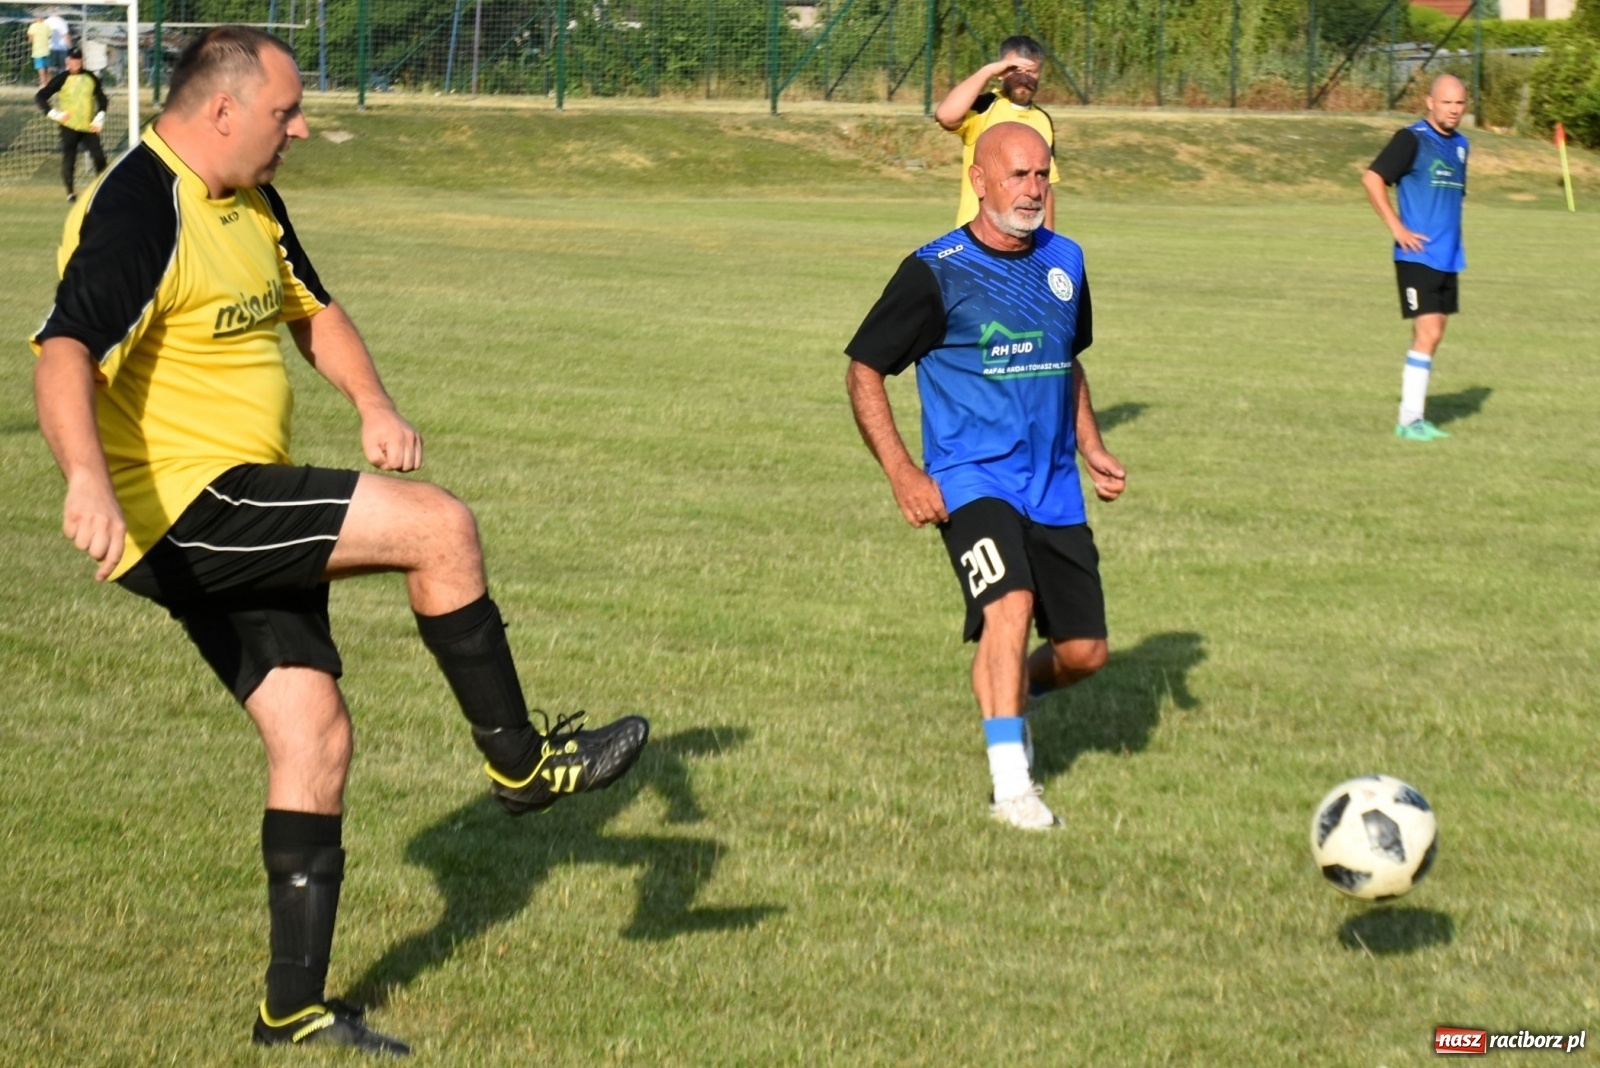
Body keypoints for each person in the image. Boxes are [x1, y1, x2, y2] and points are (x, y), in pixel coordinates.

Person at [30, 26, 649, 1055]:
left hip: (230, 506)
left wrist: (370, 399)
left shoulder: (251, 200)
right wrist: (86, 479)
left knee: (314, 738)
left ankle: (293, 1008)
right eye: (286, 112)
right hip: (187, 505)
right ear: (222, 109)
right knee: (439, 527)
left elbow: (314, 312)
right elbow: (64, 350)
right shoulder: (141, 203)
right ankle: (523, 768)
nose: (302, 129)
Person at [844, 124, 1125, 832]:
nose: (1032, 190)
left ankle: (1011, 697)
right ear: (979, 180)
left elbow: (1069, 360)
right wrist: (902, 471)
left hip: (1053, 483)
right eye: (1018, 176)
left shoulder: (1066, 260)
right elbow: (864, 369)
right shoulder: (935, 270)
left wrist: (1091, 446)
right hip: (971, 480)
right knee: (1012, 607)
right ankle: (1012, 788)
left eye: (1042, 176)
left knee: (1085, 654)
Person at [1361, 74, 1469, 442]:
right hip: (1416, 254)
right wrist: (1397, 228)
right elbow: (1372, 178)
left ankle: (1413, 417)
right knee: (1429, 332)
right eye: (1447, 102)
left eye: (1460, 103)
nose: (1454, 110)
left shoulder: (1461, 146)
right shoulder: (1412, 138)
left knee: (1433, 334)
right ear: (1430, 102)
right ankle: (1409, 421)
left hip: (1447, 257)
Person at [933, 35, 1060, 232]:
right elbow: (946, 116)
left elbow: (1046, 185)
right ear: (1001, 72)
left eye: (1032, 72)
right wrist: (988, 70)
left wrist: (1049, 241)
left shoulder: (1043, 120)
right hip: (978, 236)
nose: (1024, 78)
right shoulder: (984, 106)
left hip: (1024, 239)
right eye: (1016, 70)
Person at [35, 46, 107, 203]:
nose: (76, 62)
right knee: (70, 158)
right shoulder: (62, 78)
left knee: (99, 156)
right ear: (68, 61)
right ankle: (70, 193)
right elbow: (40, 96)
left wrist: (100, 115)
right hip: (69, 125)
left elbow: (102, 98)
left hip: (88, 126)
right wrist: (54, 113)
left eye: (78, 59)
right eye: (73, 59)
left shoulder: (90, 77)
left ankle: (100, 189)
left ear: (82, 60)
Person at [27, 12, 53, 87]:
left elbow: (30, 39)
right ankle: (49, 83)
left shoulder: (33, 26)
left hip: (37, 50)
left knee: (40, 68)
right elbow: (49, 36)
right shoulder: (47, 26)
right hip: (46, 49)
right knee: (48, 67)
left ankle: (43, 83)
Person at [44, 9, 71, 74]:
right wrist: (70, 47)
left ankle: (51, 83)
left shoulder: (46, 22)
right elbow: (65, 35)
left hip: (50, 47)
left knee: (50, 67)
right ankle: (60, 82)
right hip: (62, 48)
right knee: (62, 68)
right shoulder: (62, 21)